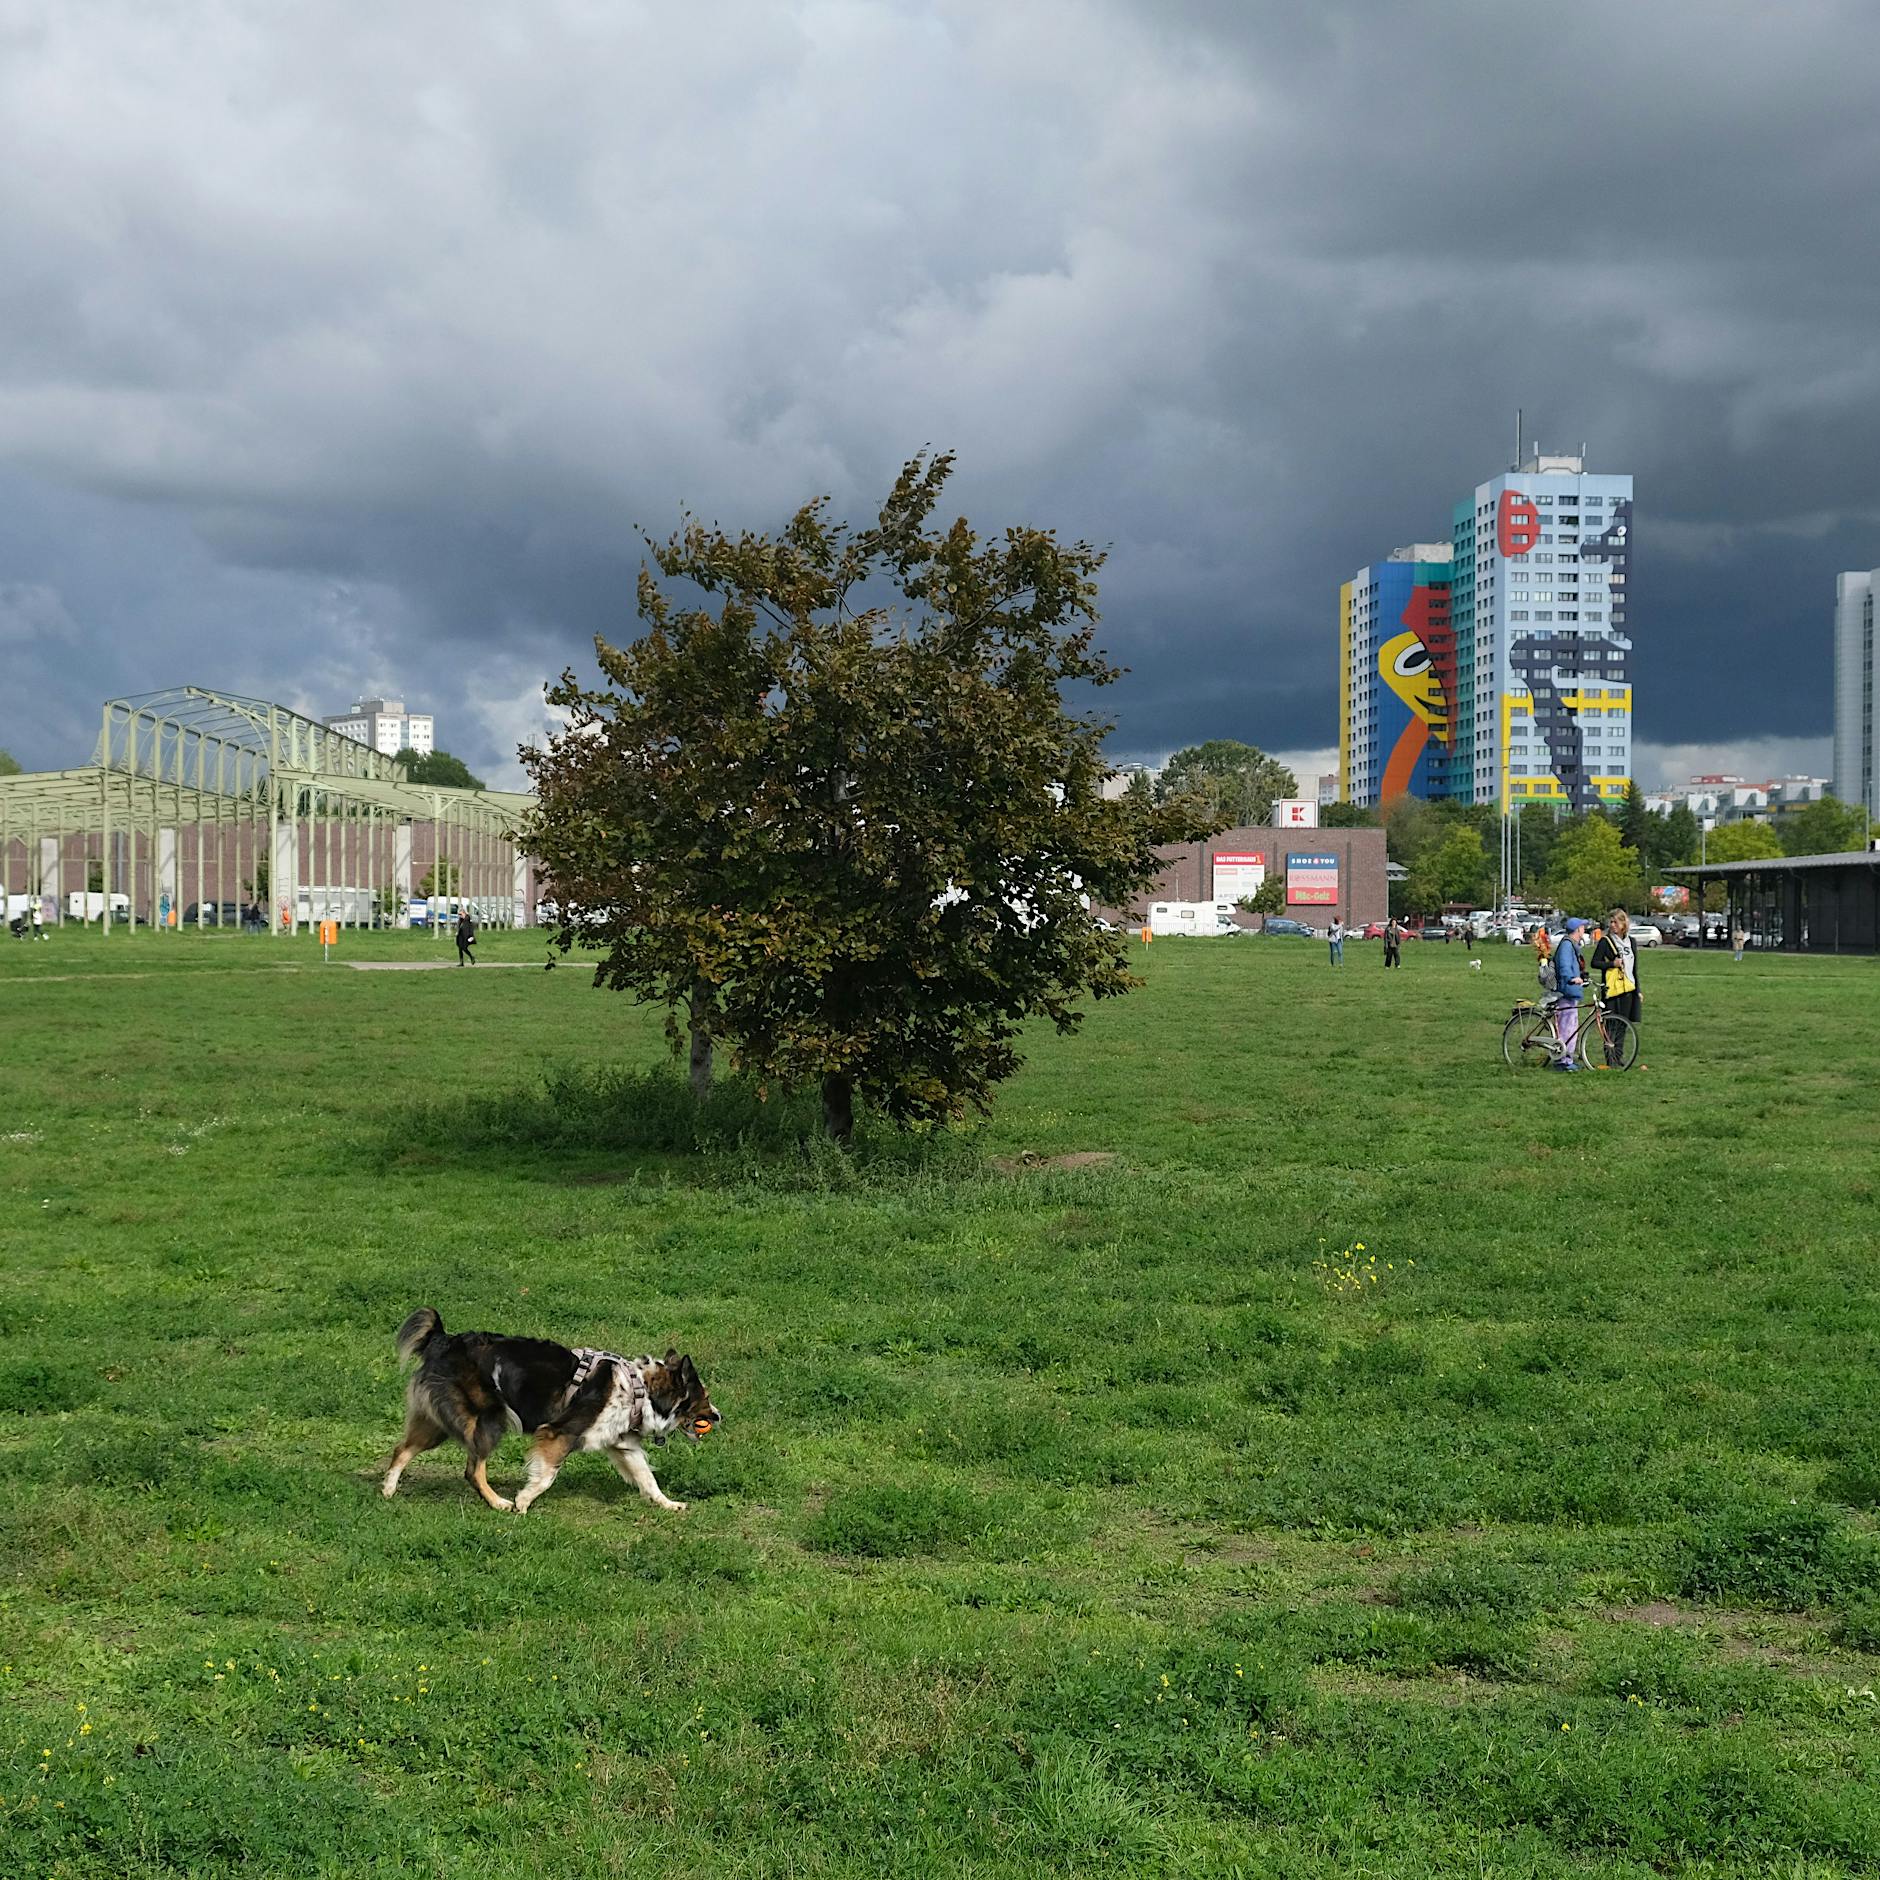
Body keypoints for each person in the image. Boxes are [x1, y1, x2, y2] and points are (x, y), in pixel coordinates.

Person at [1589, 907, 1641, 1065]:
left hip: (1628, 988)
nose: (1612, 925)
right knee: (1611, 1024)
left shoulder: (1631, 942)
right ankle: (1610, 1059)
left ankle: (1618, 1056)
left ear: (1624, 924)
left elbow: (1633, 968)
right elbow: (1594, 962)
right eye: (1611, 922)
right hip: (1612, 989)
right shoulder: (1605, 942)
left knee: (1623, 1024)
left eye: (1616, 922)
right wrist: (1612, 964)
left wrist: (1638, 990)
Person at [1550, 918, 1588, 1070]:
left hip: (1572, 991)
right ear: (1577, 929)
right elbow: (1564, 966)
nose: (1584, 930)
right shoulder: (1567, 945)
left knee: (1571, 1026)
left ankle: (1567, 1057)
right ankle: (1562, 1060)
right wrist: (1572, 978)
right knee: (1567, 1027)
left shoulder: (1572, 945)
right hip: (1566, 990)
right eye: (1582, 927)